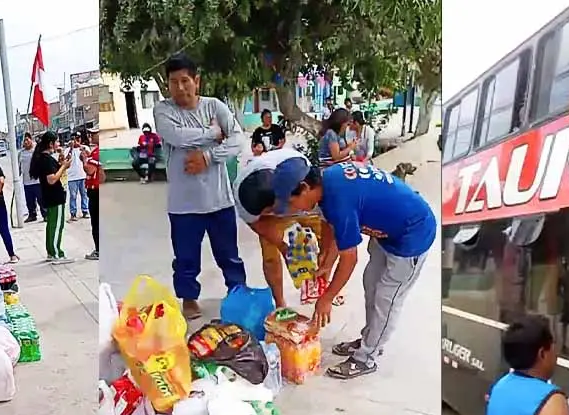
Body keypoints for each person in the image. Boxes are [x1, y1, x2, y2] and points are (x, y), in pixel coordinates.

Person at [272, 159, 436, 379]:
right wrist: (327, 262)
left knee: (386, 299)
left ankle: (367, 357)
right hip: (387, 232)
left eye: (293, 202)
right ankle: (370, 339)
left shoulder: (339, 198)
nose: (295, 209)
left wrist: (327, 297)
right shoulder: (325, 184)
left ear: (304, 187)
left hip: (412, 235)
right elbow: (331, 224)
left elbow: (349, 259)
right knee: (371, 284)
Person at [153, 53, 246, 320]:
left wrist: (208, 156)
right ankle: (189, 298)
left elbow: (238, 139)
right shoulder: (163, 110)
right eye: (173, 82)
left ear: (197, 81)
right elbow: (175, 136)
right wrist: (214, 134)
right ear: (167, 84)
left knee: (230, 255)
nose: (180, 87)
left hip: (219, 200)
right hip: (184, 205)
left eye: (185, 81)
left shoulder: (214, 106)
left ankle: (237, 292)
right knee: (185, 259)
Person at [232, 148, 338, 308]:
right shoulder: (244, 201)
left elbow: (328, 223)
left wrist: (325, 253)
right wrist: (283, 247)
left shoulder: (295, 169)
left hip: (300, 197)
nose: (276, 212)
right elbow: (258, 226)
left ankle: (323, 289)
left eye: (274, 208)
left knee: (325, 244)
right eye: (268, 211)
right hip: (282, 203)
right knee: (270, 257)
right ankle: (280, 304)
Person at [29, 131, 74, 264]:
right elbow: (52, 179)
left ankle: (51, 250)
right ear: (50, 143)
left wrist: (62, 164)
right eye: (57, 141)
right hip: (55, 195)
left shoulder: (45, 158)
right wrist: (64, 167)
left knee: (51, 224)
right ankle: (56, 252)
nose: (58, 144)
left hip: (49, 195)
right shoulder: (46, 160)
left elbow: (55, 172)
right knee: (57, 225)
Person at [84, 127, 103, 260]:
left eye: (94, 133)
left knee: (96, 222)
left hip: (95, 191)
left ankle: (99, 250)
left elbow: (90, 170)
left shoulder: (96, 152)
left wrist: (85, 159)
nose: (90, 136)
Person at [66, 134, 89, 221]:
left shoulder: (84, 147)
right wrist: (71, 148)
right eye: (74, 139)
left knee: (84, 194)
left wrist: (81, 148)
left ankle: (85, 210)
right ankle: (73, 213)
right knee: (73, 195)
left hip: (82, 175)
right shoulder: (67, 150)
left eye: (77, 138)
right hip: (72, 177)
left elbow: (88, 155)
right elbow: (66, 159)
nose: (76, 140)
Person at [19, 134, 40, 222]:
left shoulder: (36, 151)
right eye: (24, 140)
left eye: (27, 139)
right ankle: (32, 215)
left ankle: (45, 214)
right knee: (29, 201)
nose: (26, 142)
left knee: (41, 199)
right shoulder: (21, 153)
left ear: (31, 140)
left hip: (38, 180)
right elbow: (18, 167)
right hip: (26, 181)